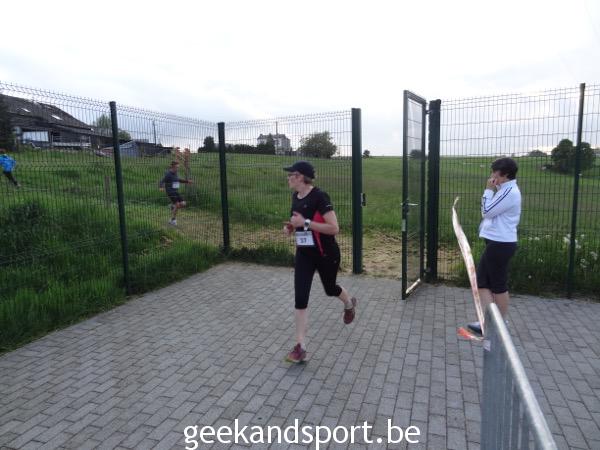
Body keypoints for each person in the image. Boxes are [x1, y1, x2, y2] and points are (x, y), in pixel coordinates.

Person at [283, 161, 358, 363]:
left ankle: (349, 304)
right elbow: (299, 222)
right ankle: (300, 347)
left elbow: (334, 228)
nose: (288, 178)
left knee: (330, 289)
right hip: (304, 254)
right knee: (300, 298)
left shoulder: (320, 196)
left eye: (291, 174)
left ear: (300, 177)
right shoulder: (295, 197)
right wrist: (291, 227)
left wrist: (305, 223)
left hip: (326, 253)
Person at [468, 157, 521, 336]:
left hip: (501, 244)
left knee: (494, 283)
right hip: (497, 242)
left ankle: (498, 323)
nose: (492, 176)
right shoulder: (504, 190)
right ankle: (491, 321)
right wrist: (494, 189)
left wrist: (488, 190)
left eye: (495, 173)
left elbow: (487, 212)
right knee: (485, 282)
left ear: (505, 175)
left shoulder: (509, 192)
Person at [159, 161, 192, 225]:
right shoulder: (168, 174)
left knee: (183, 204)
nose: (178, 169)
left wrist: (187, 181)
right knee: (177, 205)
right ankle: (173, 220)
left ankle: (172, 206)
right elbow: (162, 181)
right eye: (176, 167)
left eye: (178, 167)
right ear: (172, 167)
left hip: (176, 191)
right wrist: (161, 187)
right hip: (170, 192)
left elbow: (178, 180)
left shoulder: (175, 173)